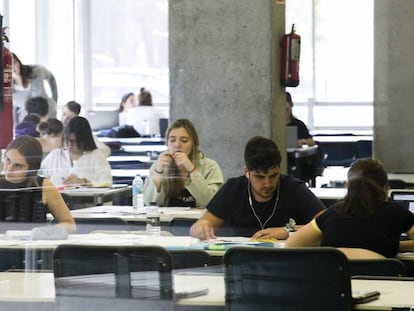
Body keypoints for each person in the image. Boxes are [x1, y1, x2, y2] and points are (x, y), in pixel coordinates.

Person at [190, 136, 326, 240]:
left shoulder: (293, 189)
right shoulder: (233, 189)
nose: (268, 184)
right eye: (259, 177)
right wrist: (201, 228)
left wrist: (288, 231)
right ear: (246, 173)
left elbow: (328, 225)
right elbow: (200, 225)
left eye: (273, 176)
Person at [286, 158, 414, 259]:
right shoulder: (396, 212)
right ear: (385, 188)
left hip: (335, 288)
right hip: (383, 287)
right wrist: (396, 246)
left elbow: (292, 245)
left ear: (348, 187)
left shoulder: (333, 213)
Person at [1, 135, 76, 233]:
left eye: (18, 166)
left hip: (33, 244)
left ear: (32, 169)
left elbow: (70, 225)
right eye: (8, 160)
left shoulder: (44, 186)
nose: (9, 169)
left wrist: (47, 231)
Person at [143, 118, 224, 207]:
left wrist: (191, 169)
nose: (177, 145)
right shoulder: (159, 166)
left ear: (194, 143)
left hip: (199, 220)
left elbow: (211, 203)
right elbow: (149, 204)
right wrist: (158, 172)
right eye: (172, 140)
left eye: (184, 140)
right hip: (167, 220)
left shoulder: (210, 167)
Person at [41, 116, 112, 188]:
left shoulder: (96, 156)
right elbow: (40, 177)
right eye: (67, 140)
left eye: (74, 141)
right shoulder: (55, 155)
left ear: (84, 140)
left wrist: (85, 182)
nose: (69, 145)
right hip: (57, 197)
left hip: (86, 198)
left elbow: (107, 183)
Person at [12, 53, 58, 124]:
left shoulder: (36, 71)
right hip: (29, 127)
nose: (13, 67)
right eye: (9, 65)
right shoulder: (8, 90)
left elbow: (51, 79)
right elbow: (13, 111)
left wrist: (54, 100)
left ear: (19, 61)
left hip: (49, 118)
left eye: (14, 62)